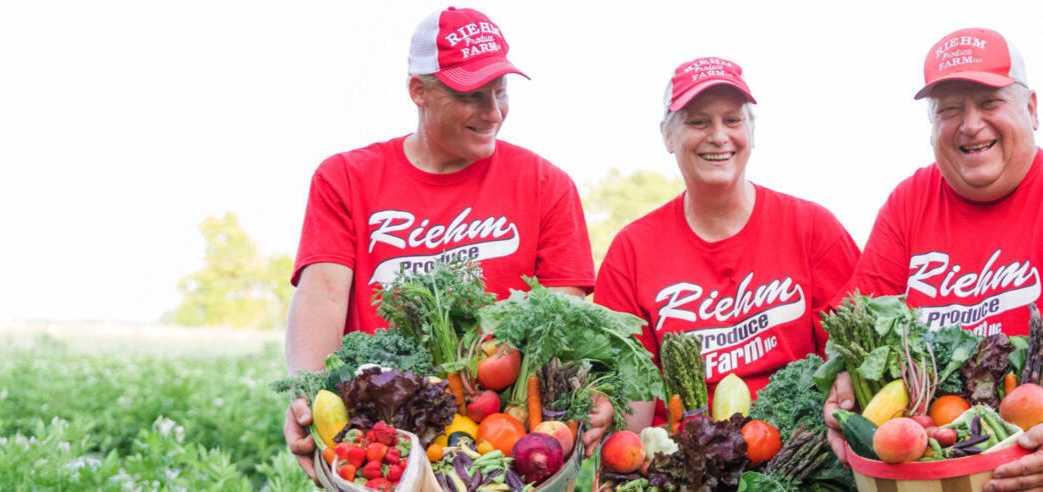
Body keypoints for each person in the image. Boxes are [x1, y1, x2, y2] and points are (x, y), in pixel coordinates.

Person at [822, 28, 1043, 491]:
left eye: (989, 103)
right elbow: (858, 324)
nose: (970, 124)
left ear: (1032, 109)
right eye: (949, 109)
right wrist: (844, 387)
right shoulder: (909, 203)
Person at [281, 7, 597, 482]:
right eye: (472, 95)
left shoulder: (545, 185)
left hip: (507, 455)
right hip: (380, 454)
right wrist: (306, 394)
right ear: (419, 90)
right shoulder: (346, 179)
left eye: (500, 91)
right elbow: (322, 296)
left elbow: (562, 323)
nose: (494, 112)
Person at [594, 57, 860, 431]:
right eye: (699, 121)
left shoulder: (813, 228)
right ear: (667, 136)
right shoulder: (632, 251)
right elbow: (632, 397)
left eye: (732, 120)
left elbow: (848, 359)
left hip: (802, 452)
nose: (718, 136)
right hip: (687, 463)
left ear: (751, 132)